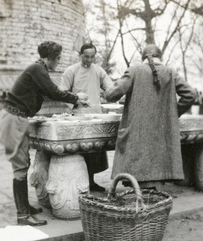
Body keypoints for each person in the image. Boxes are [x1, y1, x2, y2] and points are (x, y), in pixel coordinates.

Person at [0, 41, 89, 226]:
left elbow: (48, 91)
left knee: (23, 163)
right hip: (13, 119)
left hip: (16, 118)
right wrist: (76, 97)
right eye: (57, 58)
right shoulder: (37, 69)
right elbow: (53, 91)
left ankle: (24, 207)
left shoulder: (38, 70)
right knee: (20, 167)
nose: (58, 62)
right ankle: (23, 216)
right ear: (48, 57)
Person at [105, 44, 197, 185]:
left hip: (137, 136)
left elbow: (111, 95)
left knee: (138, 184)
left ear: (143, 58)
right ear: (160, 57)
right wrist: (172, 113)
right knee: (156, 182)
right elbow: (191, 94)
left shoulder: (134, 71)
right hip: (161, 137)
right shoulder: (170, 73)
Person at [61, 43, 113, 191]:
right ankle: (79, 183)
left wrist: (109, 93)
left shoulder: (98, 71)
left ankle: (91, 182)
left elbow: (110, 87)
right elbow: (62, 93)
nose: (89, 60)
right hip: (78, 115)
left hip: (95, 114)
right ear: (80, 55)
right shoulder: (71, 71)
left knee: (94, 150)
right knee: (81, 150)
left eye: (92, 57)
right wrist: (76, 99)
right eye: (86, 56)